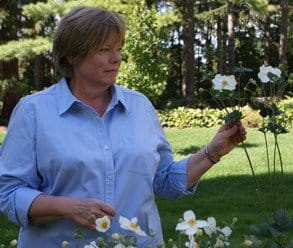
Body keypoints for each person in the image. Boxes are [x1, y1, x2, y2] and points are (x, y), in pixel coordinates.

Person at [0, 6, 246, 248]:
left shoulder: (139, 107)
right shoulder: (34, 111)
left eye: (118, 49)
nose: (116, 58)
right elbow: (9, 193)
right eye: (104, 50)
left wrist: (212, 153)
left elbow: (164, 181)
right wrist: (68, 208)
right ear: (72, 55)